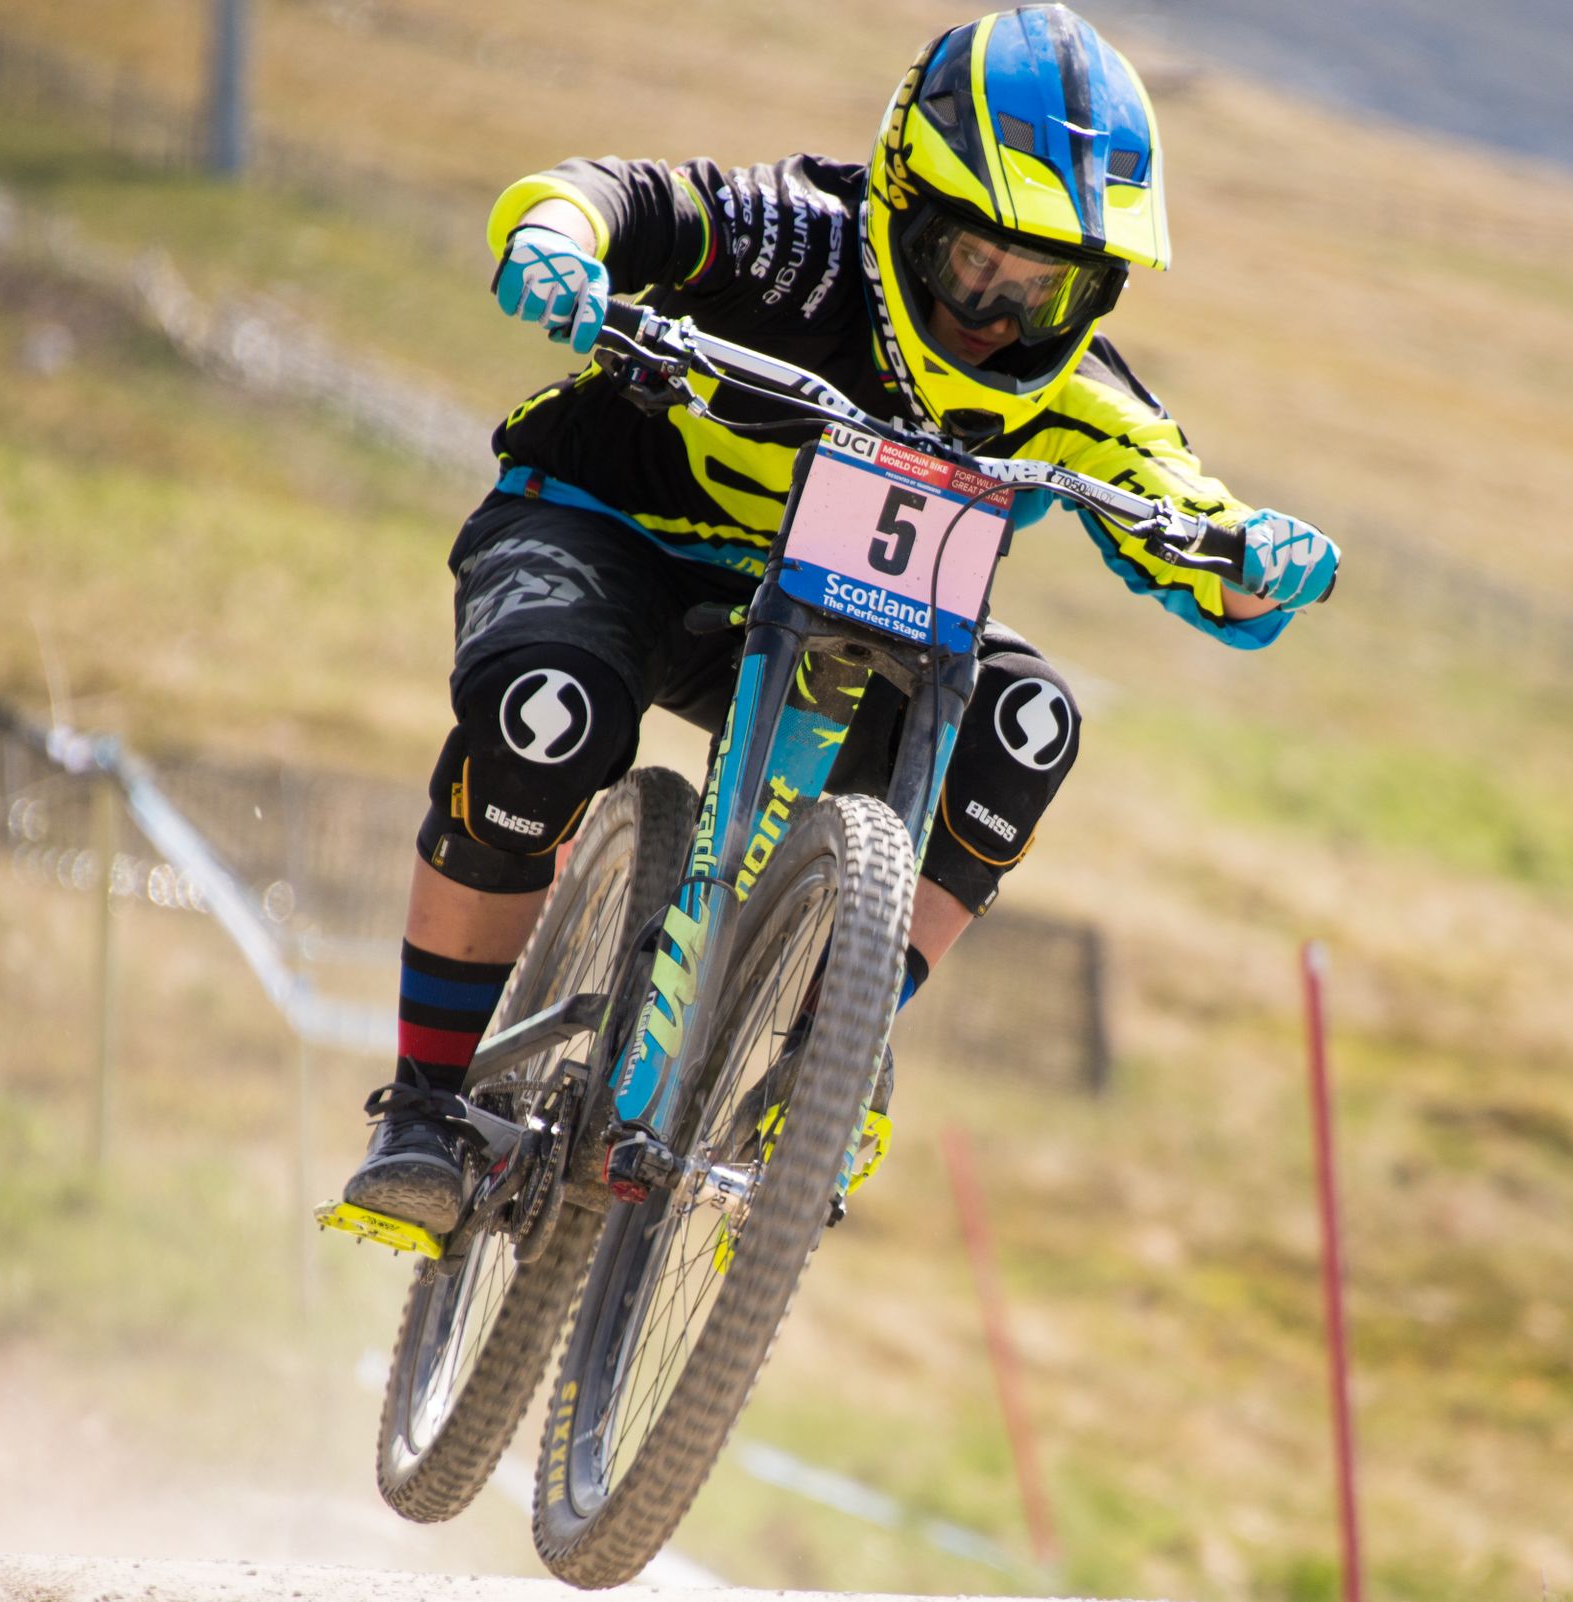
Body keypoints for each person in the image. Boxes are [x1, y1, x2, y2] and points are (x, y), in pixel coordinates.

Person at [341, 3, 1340, 1234]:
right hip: (613, 532)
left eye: (1049, 291)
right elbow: (612, 198)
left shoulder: (1082, 398)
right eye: (976, 266)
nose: (998, 318)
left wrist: (1258, 559)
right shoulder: (791, 239)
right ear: (905, 205)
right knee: (549, 721)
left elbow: (1194, 523)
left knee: (1029, 722)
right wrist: (555, 243)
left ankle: (825, 1058)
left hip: (836, 620)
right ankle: (425, 1109)